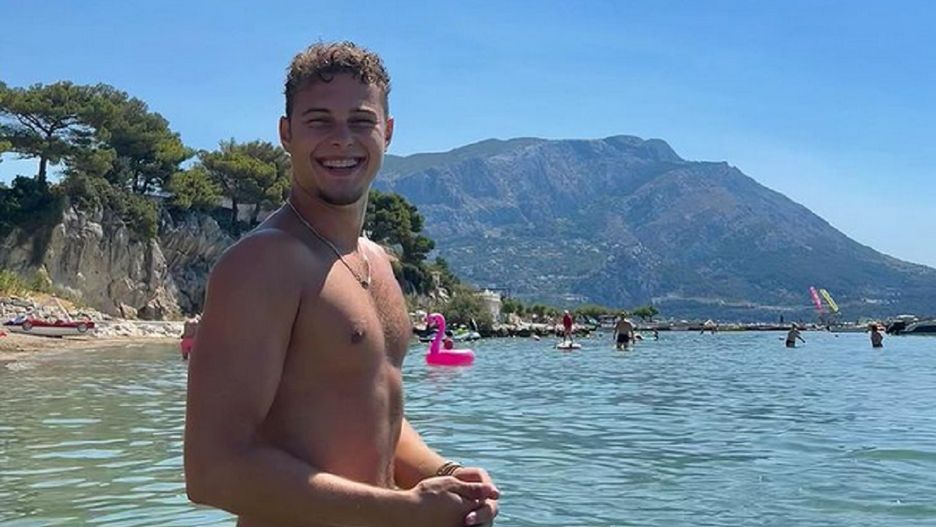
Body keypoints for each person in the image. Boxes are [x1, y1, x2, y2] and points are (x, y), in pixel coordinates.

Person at [184, 42, 499, 527]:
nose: (341, 139)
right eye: (319, 121)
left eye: (360, 120)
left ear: (387, 131)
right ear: (286, 133)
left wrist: (447, 476)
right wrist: (405, 511)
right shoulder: (263, 263)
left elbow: (370, 410)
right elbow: (212, 471)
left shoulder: (378, 263)